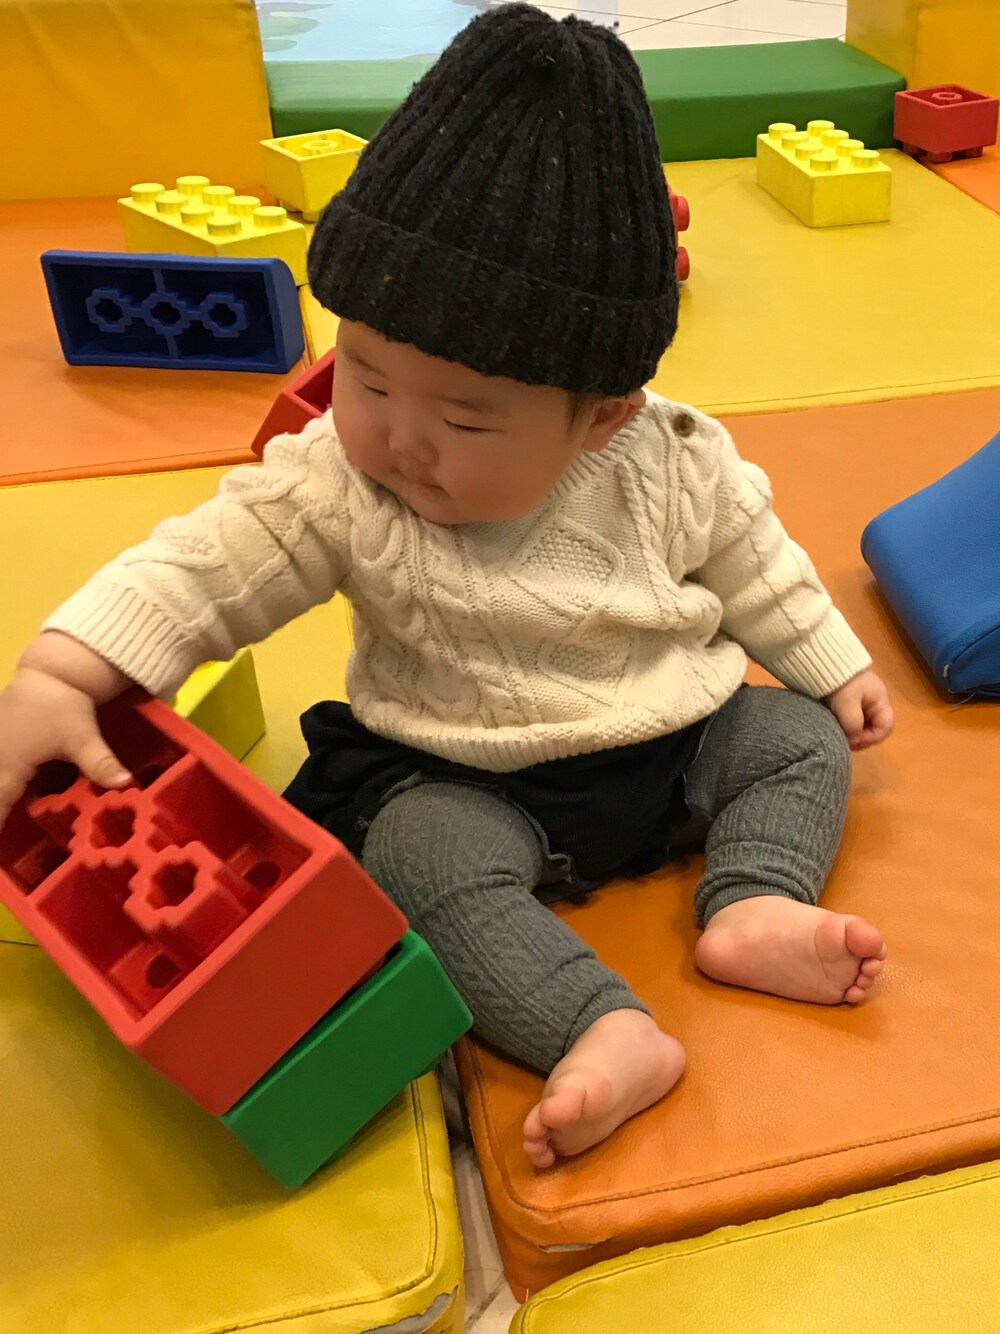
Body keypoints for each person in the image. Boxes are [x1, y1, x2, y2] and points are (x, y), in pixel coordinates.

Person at [0, 5, 893, 1170]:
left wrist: (832, 663)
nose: (399, 438)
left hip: (670, 742)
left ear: (600, 415)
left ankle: (754, 901)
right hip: (465, 773)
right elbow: (203, 566)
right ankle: (598, 1024)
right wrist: (64, 667)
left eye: (466, 419)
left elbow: (754, 559)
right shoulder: (337, 482)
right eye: (367, 377)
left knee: (795, 741)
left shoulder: (669, 458)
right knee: (410, 857)